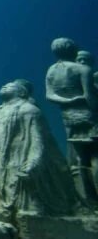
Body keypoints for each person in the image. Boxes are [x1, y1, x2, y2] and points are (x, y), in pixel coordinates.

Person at [0, 79, 81, 222]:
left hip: (20, 162)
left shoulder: (29, 110)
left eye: (10, 85)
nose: (4, 85)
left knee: (28, 206)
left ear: (22, 92)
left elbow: (38, 140)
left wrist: (32, 162)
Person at [45, 38, 98, 205]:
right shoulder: (83, 70)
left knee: (79, 159)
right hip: (89, 115)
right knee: (95, 156)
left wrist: (67, 102)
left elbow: (49, 95)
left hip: (68, 117)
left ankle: (85, 199)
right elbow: (90, 96)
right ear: (74, 50)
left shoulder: (51, 71)